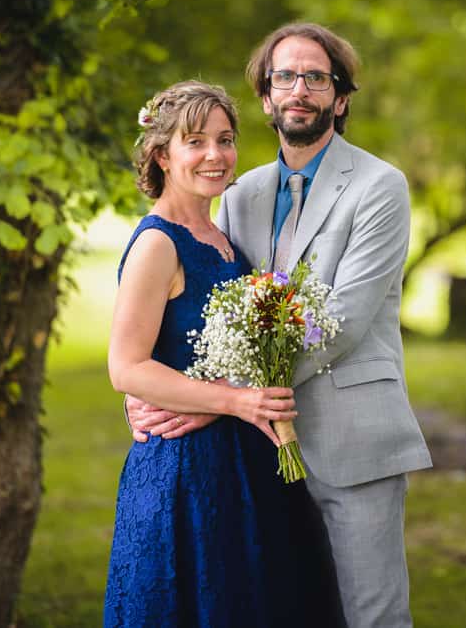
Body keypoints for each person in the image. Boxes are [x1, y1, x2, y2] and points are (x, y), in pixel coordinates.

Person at [127, 24, 432, 628]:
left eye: (316, 77)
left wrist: (225, 402)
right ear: (266, 98)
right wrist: (155, 392)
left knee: (371, 617)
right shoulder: (240, 193)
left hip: (353, 444)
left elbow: (340, 322)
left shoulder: (379, 187)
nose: (300, 89)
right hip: (258, 455)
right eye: (284, 77)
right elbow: (215, 312)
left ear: (339, 98)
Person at [103, 80, 334, 628]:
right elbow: (126, 367)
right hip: (184, 471)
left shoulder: (221, 236)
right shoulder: (158, 243)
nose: (216, 155)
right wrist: (234, 402)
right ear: (162, 154)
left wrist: (238, 398)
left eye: (225, 139)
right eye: (195, 141)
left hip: (243, 460)